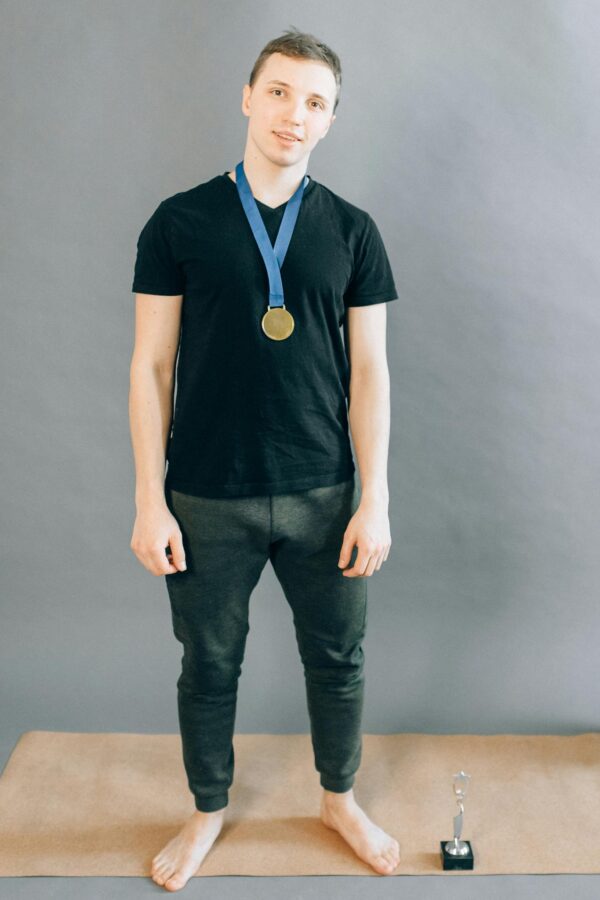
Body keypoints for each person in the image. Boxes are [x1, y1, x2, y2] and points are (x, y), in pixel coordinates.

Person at [129, 26, 400, 891]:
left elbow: (369, 371)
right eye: (280, 92)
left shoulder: (354, 232)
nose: (295, 114)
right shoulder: (179, 221)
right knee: (209, 663)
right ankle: (208, 808)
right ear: (249, 98)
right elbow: (150, 365)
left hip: (326, 491)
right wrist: (148, 498)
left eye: (316, 102)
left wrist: (376, 497)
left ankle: (339, 799)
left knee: (340, 659)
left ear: (331, 121)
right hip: (207, 493)